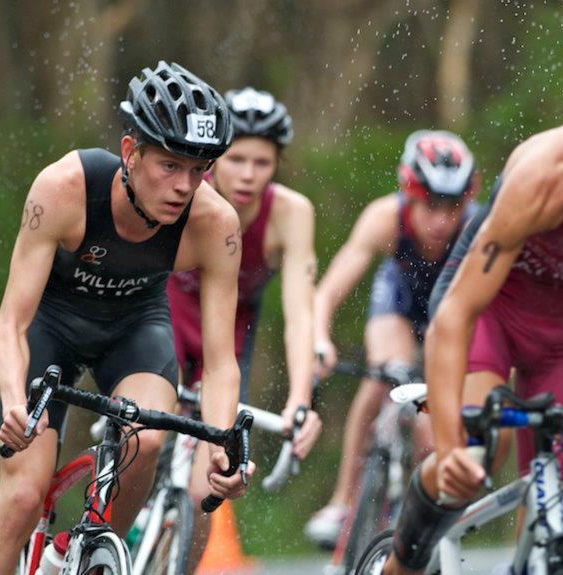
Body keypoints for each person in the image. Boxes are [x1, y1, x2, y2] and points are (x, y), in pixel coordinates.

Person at [0, 61, 256, 575]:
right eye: (170, 165)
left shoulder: (216, 225)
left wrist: (219, 443)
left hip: (135, 328)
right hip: (50, 328)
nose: (185, 186)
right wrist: (13, 402)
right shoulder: (63, 189)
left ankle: (95, 556)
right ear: (130, 151)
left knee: (147, 438)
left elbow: (221, 361)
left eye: (198, 169)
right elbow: (10, 323)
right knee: (22, 497)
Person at [375, 126, 563, 575]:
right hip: (489, 309)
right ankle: (403, 564)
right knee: (476, 453)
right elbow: (453, 317)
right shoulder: (543, 177)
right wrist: (449, 442)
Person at [167, 87, 322, 566]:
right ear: (216, 157)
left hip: (228, 336)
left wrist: (300, 397)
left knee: (201, 496)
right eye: (236, 160)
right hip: (166, 317)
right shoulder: (187, 195)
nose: (249, 175)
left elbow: (300, 313)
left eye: (263, 163)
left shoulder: (291, 214)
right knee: (145, 438)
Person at [305, 130, 481, 549]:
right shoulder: (384, 218)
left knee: (429, 423)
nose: (442, 221)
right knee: (386, 375)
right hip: (399, 301)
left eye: (453, 207)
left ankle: (422, 504)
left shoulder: (477, 227)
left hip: (451, 311)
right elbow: (327, 293)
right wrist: (319, 340)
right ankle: (343, 500)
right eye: (431, 206)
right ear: (409, 195)